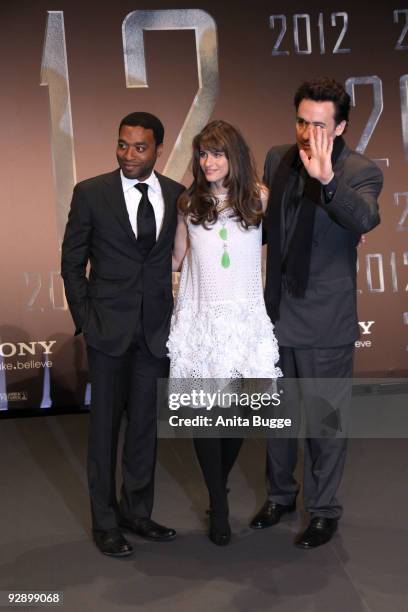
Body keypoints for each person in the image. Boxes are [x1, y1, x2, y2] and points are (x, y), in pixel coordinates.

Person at [250, 77, 383, 548]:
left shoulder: (360, 170)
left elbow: (364, 218)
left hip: (326, 320)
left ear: (342, 125)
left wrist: (327, 181)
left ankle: (324, 510)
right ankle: (279, 495)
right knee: (279, 418)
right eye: (302, 122)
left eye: (320, 125)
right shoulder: (277, 158)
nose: (308, 134)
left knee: (324, 422)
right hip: (276, 313)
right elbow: (266, 227)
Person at [61, 112, 185, 557]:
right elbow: (71, 263)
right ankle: (106, 522)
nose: (128, 155)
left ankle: (137, 512)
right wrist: (86, 319)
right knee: (104, 432)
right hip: (107, 332)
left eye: (139, 148)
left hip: (154, 332)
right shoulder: (91, 193)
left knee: (144, 431)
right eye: (122, 145)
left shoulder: (176, 195)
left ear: (158, 150)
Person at [168, 120, 282, 546]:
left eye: (216, 154)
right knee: (205, 416)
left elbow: (286, 240)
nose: (208, 162)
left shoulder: (260, 198)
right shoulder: (188, 204)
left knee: (243, 411)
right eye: (202, 154)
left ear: (233, 155)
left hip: (245, 319)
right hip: (201, 321)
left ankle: (219, 487)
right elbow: (177, 260)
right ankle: (218, 500)